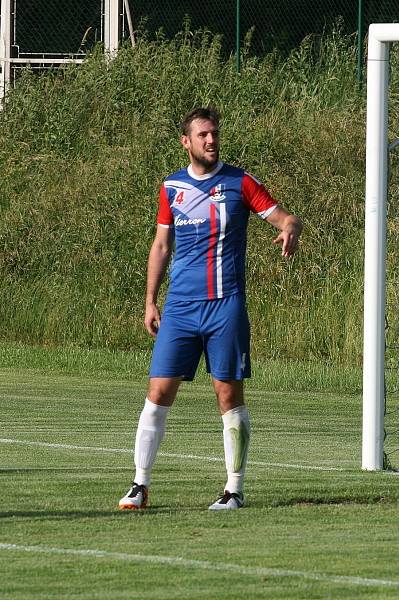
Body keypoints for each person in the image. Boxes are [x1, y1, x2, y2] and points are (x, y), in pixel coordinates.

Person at [118, 107, 302, 511]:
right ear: (186, 142)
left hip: (226, 306)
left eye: (214, 133)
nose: (211, 140)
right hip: (180, 307)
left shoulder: (240, 182)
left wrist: (290, 228)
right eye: (202, 135)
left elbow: (285, 217)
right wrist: (150, 300)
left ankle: (234, 489)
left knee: (228, 395)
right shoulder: (171, 187)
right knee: (157, 392)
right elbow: (162, 245)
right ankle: (140, 484)